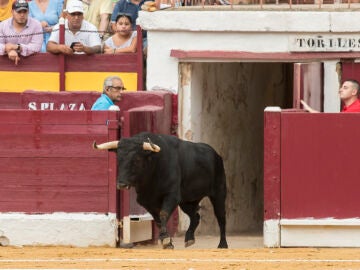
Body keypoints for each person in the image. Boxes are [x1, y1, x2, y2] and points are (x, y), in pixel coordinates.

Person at [0, 0, 43, 65]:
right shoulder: (3, 25)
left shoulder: (36, 25)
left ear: (28, 12)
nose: (22, 15)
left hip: (32, 64)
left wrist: (17, 47)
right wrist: (8, 50)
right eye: (19, 12)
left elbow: (36, 47)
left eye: (24, 11)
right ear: (12, 12)